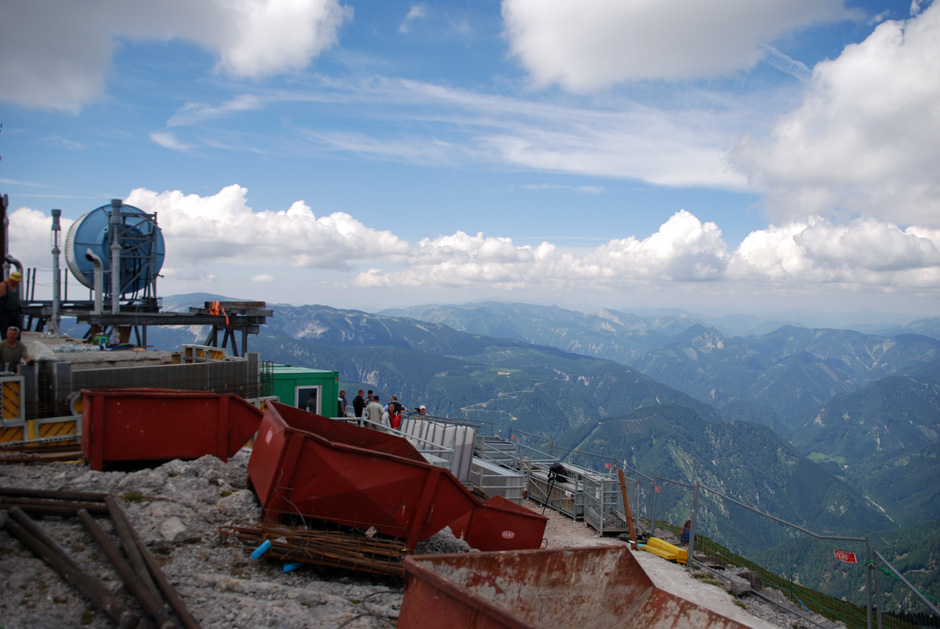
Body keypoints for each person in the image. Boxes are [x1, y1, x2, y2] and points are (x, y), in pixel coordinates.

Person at [0, 271, 23, 338]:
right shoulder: (3, 286)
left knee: (17, 330)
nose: (18, 282)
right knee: (5, 332)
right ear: (12, 279)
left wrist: (20, 308)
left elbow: (17, 297)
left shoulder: (17, 286)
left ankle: (17, 345)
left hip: (15, 311)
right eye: (17, 281)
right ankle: (6, 346)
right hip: (4, 312)